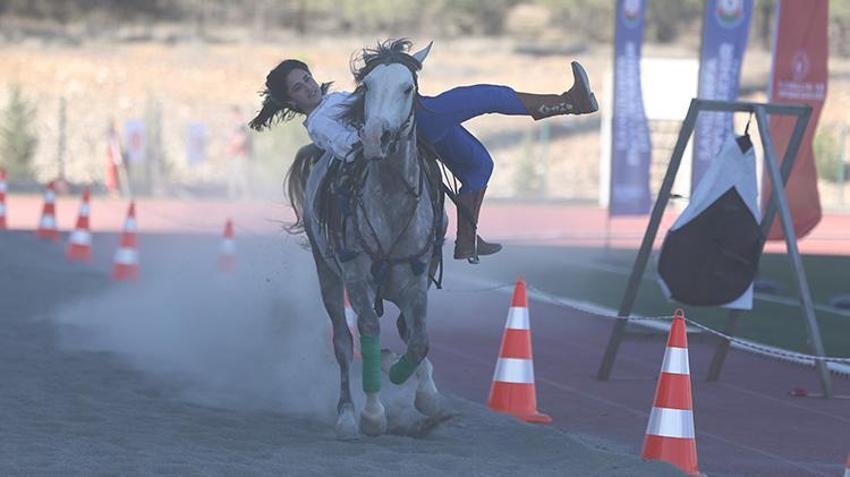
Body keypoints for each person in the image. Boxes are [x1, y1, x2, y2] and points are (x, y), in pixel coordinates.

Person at [250, 45, 597, 261]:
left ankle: (465, 242)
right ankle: (570, 102)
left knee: (480, 166)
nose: (308, 86)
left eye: (307, 78)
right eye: (299, 87)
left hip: (413, 130)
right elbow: (345, 146)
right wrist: (366, 139)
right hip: (418, 122)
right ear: (290, 102)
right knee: (487, 95)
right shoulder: (319, 121)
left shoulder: (333, 99)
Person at [226, 105, 254, 200]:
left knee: (241, 175)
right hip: (235, 154)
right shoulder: (236, 126)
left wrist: (233, 148)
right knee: (234, 175)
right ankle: (233, 195)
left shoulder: (241, 126)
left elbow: (242, 140)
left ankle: (245, 195)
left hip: (240, 154)